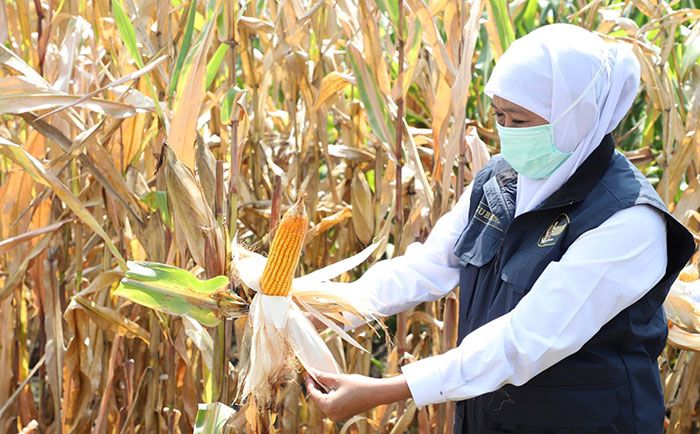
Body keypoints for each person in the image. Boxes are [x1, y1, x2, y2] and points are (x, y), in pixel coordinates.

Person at [304, 24, 695, 434]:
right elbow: (427, 267)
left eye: (521, 121)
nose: (506, 134)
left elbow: (522, 341)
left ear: (574, 116)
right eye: (499, 116)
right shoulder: (501, 181)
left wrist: (391, 389)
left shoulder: (628, 221)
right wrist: (330, 309)